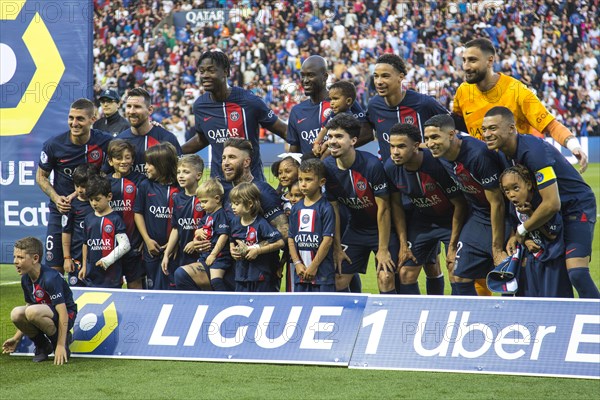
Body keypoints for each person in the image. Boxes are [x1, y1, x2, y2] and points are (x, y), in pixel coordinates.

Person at [481, 106, 599, 298]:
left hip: (575, 207)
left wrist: (521, 231)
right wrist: (521, 233)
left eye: (493, 128)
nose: (486, 134)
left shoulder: (533, 152)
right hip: (547, 214)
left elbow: (552, 203)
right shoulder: (503, 154)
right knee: (538, 270)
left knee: (577, 273)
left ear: (511, 128)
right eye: (484, 129)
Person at [452, 38, 588, 173]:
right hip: (485, 171)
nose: (466, 66)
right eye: (464, 60)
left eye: (472, 60)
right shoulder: (462, 92)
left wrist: (574, 146)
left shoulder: (516, 90)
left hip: (519, 172)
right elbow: (457, 122)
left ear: (490, 61)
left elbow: (550, 125)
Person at [424, 114, 509, 296]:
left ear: (452, 134)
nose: (430, 143)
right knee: (458, 273)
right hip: (478, 215)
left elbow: (498, 203)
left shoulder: (478, 155)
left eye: (435, 137)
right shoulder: (440, 152)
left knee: (505, 273)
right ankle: (470, 320)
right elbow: (420, 147)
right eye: (427, 138)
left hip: (504, 214)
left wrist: (496, 248)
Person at [384, 123, 468, 295]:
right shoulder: (390, 167)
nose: (395, 152)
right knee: (405, 273)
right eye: (392, 146)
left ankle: (454, 317)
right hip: (422, 221)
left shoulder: (438, 164)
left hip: (451, 221)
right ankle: (413, 319)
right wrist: (402, 244)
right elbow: (396, 206)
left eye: (401, 146)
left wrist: (452, 247)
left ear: (416, 146)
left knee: (455, 269)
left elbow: (460, 205)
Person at [181, 50, 287, 181]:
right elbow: (202, 139)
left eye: (211, 70)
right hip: (218, 186)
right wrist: (174, 152)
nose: (205, 75)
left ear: (226, 72)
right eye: (202, 71)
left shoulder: (250, 102)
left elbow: (284, 131)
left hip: (250, 183)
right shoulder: (200, 106)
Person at [322, 114, 398, 294]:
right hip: (355, 229)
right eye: (330, 136)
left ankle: (389, 320)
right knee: (338, 277)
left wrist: (383, 248)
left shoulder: (371, 165)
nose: (332, 141)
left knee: (385, 277)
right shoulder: (328, 167)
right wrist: (338, 247)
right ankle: (347, 321)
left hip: (382, 230)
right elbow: (334, 211)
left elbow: (384, 209)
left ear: (353, 140)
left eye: (339, 137)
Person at [36, 98, 113, 273]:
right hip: (61, 211)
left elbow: (126, 150)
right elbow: (41, 177)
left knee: (92, 269)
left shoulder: (105, 142)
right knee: (54, 269)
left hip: (91, 212)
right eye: (71, 118)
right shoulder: (53, 145)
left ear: (93, 119)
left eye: (80, 119)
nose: (74, 123)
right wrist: (57, 199)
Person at [499, 165, 573, 298]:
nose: (511, 194)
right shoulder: (513, 206)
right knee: (530, 302)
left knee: (554, 303)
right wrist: (526, 241)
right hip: (531, 260)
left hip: (552, 260)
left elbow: (551, 234)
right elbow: (518, 233)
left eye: (516, 188)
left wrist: (531, 214)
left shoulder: (544, 205)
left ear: (528, 184)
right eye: (506, 190)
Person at [366, 54, 454, 163]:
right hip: (392, 176)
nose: (379, 81)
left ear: (401, 77)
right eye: (376, 76)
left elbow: (451, 130)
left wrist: (419, 146)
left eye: (385, 76)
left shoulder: (424, 103)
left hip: (429, 174)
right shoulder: (374, 106)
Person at [2, 237, 77, 365]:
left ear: (35, 259)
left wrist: (60, 344)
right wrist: (16, 339)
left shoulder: (50, 278)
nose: (15, 261)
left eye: (20, 257)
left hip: (66, 315)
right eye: (15, 257)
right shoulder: (25, 279)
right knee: (16, 314)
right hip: (42, 313)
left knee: (32, 311)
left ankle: (59, 343)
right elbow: (29, 308)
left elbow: (63, 313)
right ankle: (42, 346)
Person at [287, 55, 367, 155]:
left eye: (311, 75)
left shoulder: (343, 101)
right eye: (302, 75)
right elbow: (294, 150)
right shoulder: (297, 111)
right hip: (311, 169)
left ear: (325, 77)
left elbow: (367, 134)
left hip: (339, 169)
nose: (305, 80)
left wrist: (332, 147)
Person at [134, 143, 180, 290]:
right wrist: (147, 240)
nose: (145, 167)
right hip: (151, 249)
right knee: (153, 288)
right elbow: (138, 213)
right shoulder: (145, 185)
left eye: (149, 164)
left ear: (161, 165)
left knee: (173, 288)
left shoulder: (179, 187)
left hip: (174, 249)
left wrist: (174, 243)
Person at [176, 178, 234, 292]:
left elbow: (224, 235)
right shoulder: (207, 216)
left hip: (220, 257)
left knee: (216, 281)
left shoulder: (220, 215)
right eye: (200, 202)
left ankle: (226, 301)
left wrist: (213, 254)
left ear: (217, 199)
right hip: (205, 256)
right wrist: (197, 232)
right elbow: (199, 230)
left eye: (204, 202)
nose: (202, 205)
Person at [288, 159, 336, 292]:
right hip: (300, 273)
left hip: (322, 275)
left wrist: (314, 266)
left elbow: (327, 240)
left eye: (308, 180)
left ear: (321, 182)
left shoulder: (326, 208)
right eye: (300, 179)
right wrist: (297, 264)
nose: (303, 184)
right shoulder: (296, 208)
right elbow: (291, 238)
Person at [229, 182, 285, 292]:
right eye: (232, 203)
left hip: (260, 277)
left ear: (249, 203)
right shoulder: (235, 221)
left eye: (236, 203)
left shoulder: (261, 223)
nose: (233, 207)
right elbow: (232, 238)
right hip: (241, 276)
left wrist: (258, 251)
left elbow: (280, 243)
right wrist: (232, 250)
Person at [106, 139, 147, 289]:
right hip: (111, 244)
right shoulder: (104, 182)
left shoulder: (141, 181)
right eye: (118, 158)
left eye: (127, 157)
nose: (123, 161)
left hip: (135, 243)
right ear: (110, 161)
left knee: (135, 282)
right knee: (112, 285)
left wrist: (144, 239)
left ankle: (138, 312)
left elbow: (145, 212)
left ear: (133, 159)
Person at [116, 87, 182, 175]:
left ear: (150, 110)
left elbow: (179, 174)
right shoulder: (119, 140)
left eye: (137, 107)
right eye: (128, 106)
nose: (131, 111)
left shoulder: (166, 139)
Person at [80, 176, 131, 288]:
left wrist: (107, 260)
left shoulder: (115, 219)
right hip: (91, 277)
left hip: (112, 278)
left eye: (97, 199)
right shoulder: (88, 219)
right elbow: (85, 244)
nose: (94, 203)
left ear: (109, 197)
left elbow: (125, 245)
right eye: (91, 200)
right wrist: (84, 266)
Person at [162, 155, 205, 280]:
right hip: (182, 253)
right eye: (178, 172)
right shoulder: (177, 198)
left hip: (201, 252)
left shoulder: (205, 198)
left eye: (186, 172)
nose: (180, 176)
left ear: (198, 175)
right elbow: (176, 228)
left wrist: (195, 242)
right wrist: (166, 254)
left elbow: (209, 226)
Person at [62, 164, 98, 287]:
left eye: (84, 187)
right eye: (77, 186)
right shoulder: (72, 206)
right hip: (76, 259)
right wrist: (67, 258)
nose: (80, 190)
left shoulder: (98, 205)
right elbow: (66, 232)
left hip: (97, 259)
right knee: (76, 297)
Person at [312, 80, 359, 157]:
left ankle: (320, 167)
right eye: (330, 99)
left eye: (335, 99)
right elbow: (324, 130)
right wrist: (316, 143)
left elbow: (341, 139)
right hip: (327, 144)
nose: (331, 103)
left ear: (348, 101)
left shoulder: (348, 118)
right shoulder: (333, 114)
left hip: (336, 149)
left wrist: (326, 143)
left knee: (327, 152)